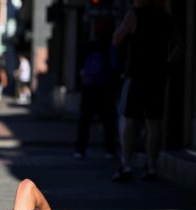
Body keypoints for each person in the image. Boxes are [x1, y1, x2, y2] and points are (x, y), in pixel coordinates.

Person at [111, 0, 173, 182]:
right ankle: (152, 166)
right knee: (154, 121)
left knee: (128, 119)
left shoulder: (133, 16)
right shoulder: (165, 18)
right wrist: (168, 64)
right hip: (158, 75)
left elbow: (116, 38)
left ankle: (126, 164)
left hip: (136, 74)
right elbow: (180, 45)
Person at [74, 35, 118, 160]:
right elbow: (115, 67)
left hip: (88, 89)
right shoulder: (110, 46)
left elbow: (81, 70)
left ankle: (80, 150)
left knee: (84, 121)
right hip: (105, 89)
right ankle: (109, 150)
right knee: (107, 121)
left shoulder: (87, 46)